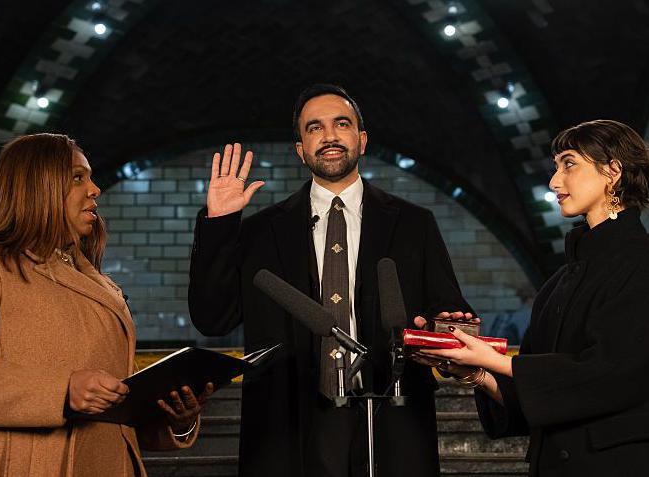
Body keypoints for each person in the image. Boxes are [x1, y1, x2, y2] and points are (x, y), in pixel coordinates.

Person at [188, 84, 472, 477]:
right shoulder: (260, 231)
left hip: (391, 417)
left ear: (362, 139)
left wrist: (442, 331)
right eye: (314, 128)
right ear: (300, 149)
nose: (330, 136)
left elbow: (448, 311)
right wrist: (219, 224)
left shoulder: (414, 224)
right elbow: (212, 318)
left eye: (342, 123)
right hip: (288, 426)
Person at [0, 133, 210, 476]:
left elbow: (114, 409)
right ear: (36, 185)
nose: (95, 189)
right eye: (77, 177)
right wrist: (62, 390)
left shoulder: (98, 283)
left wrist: (176, 419)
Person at [418, 119, 649, 476]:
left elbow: (615, 371)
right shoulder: (557, 283)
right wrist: (477, 372)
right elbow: (539, 399)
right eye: (555, 167)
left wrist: (496, 360)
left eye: (569, 163)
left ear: (612, 171)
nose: (554, 181)